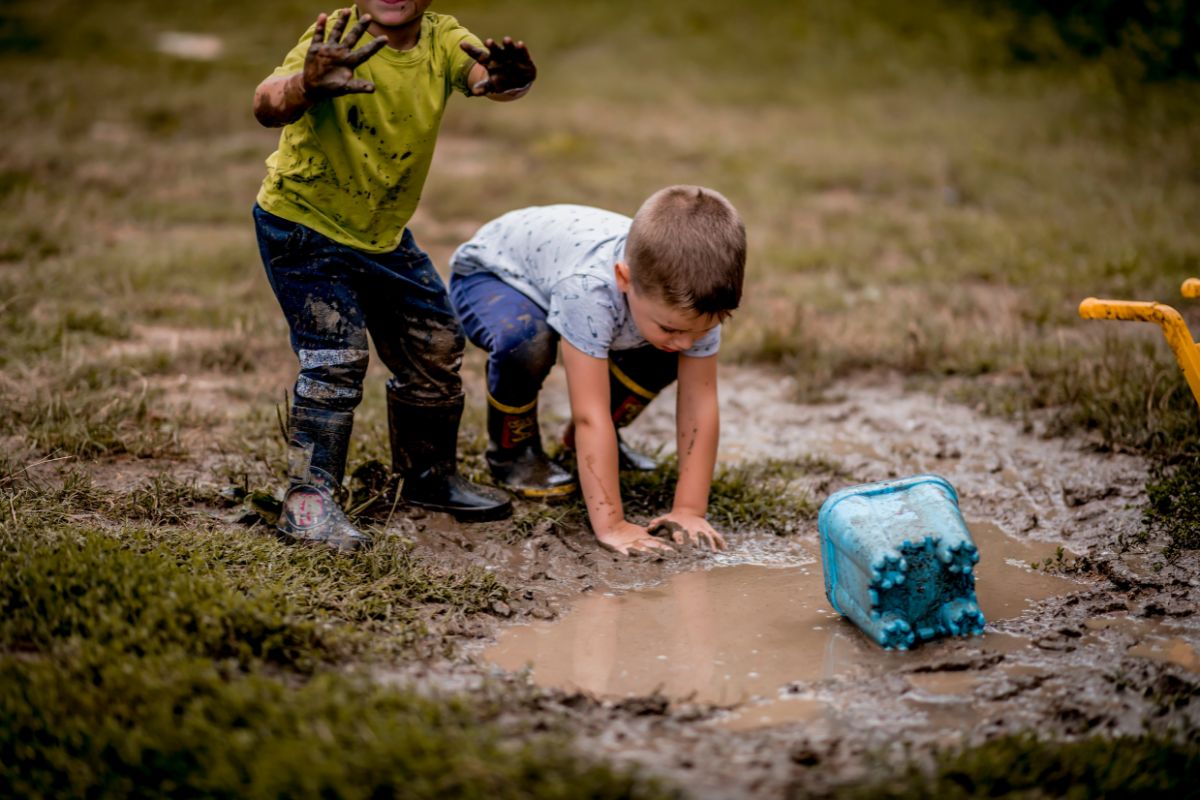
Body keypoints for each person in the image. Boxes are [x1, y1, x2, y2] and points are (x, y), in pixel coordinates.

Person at [251, 2, 537, 552]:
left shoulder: (441, 38)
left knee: (435, 340)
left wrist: (512, 82)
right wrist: (307, 84)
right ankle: (307, 505)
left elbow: (486, 77)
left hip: (382, 235)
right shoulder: (336, 35)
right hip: (301, 226)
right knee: (335, 359)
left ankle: (426, 476)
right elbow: (266, 103)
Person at [449, 186, 746, 555]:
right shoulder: (589, 290)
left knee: (665, 351)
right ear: (625, 279)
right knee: (525, 341)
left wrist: (688, 510)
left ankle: (583, 445)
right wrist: (613, 525)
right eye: (672, 327)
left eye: (702, 329)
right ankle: (514, 452)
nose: (688, 341)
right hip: (494, 276)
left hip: (577, 283)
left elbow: (700, 404)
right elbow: (589, 413)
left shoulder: (696, 300)